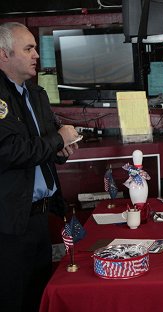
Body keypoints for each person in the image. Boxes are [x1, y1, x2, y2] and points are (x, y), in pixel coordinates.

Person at [0, 22, 80, 312]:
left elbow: (45, 149)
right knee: (12, 299)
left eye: (35, 47)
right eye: (28, 48)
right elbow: (10, 152)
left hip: (41, 215)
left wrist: (62, 150)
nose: (36, 55)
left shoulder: (37, 95)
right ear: (3, 55)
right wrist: (58, 139)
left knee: (38, 295)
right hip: (9, 223)